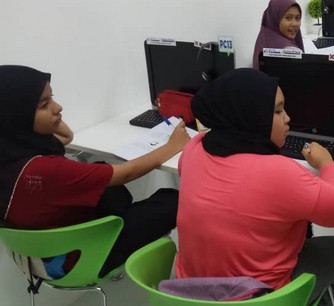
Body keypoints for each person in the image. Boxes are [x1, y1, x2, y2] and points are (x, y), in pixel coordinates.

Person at [176, 68, 334, 306]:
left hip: (191, 305)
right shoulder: (279, 173)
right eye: (278, 111)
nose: (288, 118)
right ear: (252, 115)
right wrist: (327, 163)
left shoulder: (194, 148)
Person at [0, 65, 191, 278]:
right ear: (16, 117)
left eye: (52, 98)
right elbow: (126, 173)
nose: (58, 107)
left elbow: (66, 137)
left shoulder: (11, 152)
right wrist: (173, 146)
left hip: (37, 256)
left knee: (103, 179)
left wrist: (50, 115)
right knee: (172, 200)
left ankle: (125, 221)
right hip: (81, 257)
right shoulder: (45, 171)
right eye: (45, 104)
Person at [252, 0, 304, 69]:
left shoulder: (263, 38)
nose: (294, 24)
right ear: (275, 19)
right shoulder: (291, 51)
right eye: (288, 18)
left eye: (297, 18)